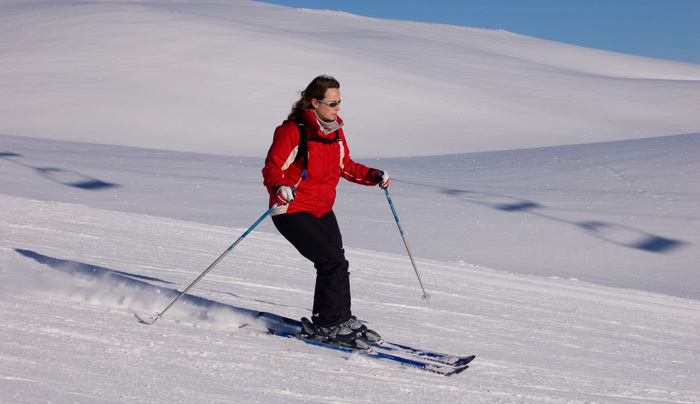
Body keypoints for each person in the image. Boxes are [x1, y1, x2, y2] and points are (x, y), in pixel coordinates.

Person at [262, 75, 389, 349]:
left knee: (337, 262)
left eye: (339, 102)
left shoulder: (335, 132)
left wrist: (372, 174)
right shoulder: (293, 130)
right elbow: (272, 167)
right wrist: (280, 187)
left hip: (322, 209)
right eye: (332, 103)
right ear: (314, 102)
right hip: (292, 209)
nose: (337, 108)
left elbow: (345, 166)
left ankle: (340, 319)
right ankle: (328, 325)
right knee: (331, 262)